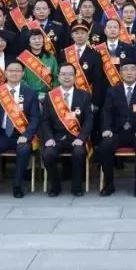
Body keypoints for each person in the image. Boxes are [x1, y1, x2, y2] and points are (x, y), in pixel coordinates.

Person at [0, 59, 40, 198]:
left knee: (24, 150)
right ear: (5, 73)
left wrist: (27, 135)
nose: (14, 73)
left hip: (21, 134)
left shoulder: (30, 93)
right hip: (1, 135)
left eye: (17, 71)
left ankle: (17, 186)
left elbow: (35, 118)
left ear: (23, 74)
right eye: (11, 70)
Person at [97, 61, 136, 198]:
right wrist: (106, 129)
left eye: (132, 69)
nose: (129, 72)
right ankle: (108, 184)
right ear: (121, 73)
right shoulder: (112, 91)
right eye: (126, 70)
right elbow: (106, 112)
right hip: (117, 132)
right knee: (104, 146)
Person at [40, 64, 93, 197]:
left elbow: (88, 121)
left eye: (70, 74)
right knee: (48, 154)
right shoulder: (51, 96)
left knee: (79, 153)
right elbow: (45, 121)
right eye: (63, 74)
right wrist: (49, 138)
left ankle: (76, 187)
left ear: (75, 77)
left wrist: (81, 138)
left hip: (76, 136)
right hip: (56, 138)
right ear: (58, 77)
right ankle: (55, 186)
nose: (67, 77)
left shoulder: (84, 95)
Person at [17, 30, 57, 100]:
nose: (37, 41)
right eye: (34, 39)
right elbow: (19, 78)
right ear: (29, 42)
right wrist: (33, 93)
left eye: (39, 38)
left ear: (43, 41)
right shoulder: (23, 58)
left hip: (48, 96)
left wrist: (51, 92)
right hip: (28, 95)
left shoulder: (51, 57)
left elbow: (56, 76)